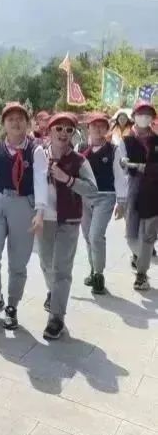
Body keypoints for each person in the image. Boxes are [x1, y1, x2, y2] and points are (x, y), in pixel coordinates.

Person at [0, 102, 47, 330]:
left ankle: (12, 305)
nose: (16, 123)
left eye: (20, 118)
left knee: (18, 262)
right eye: (10, 119)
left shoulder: (35, 149)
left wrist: (40, 212)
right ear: (4, 123)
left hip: (23, 204)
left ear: (27, 123)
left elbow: (40, 180)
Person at [39, 113, 98, 339]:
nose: (63, 133)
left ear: (74, 134)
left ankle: (56, 318)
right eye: (59, 128)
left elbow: (92, 190)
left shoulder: (79, 161)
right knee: (46, 264)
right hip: (44, 219)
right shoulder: (38, 156)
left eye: (69, 130)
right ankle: (53, 292)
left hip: (69, 221)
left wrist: (68, 179)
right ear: (49, 131)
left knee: (62, 269)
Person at [79, 112, 127, 295]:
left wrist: (121, 202)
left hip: (105, 197)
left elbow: (120, 176)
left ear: (107, 129)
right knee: (87, 236)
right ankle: (93, 270)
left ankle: (99, 274)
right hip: (84, 197)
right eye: (94, 125)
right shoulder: (81, 147)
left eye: (102, 126)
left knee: (95, 235)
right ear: (88, 128)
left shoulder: (114, 150)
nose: (98, 129)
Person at [119, 100, 158, 290]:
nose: (145, 117)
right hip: (132, 190)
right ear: (134, 116)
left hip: (153, 191)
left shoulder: (156, 141)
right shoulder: (126, 140)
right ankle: (138, 255)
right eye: (141, 113)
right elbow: (119, 165)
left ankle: (141, 274)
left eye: (148, 114)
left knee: (149, 235)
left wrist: (143, 168)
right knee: (131, 234)